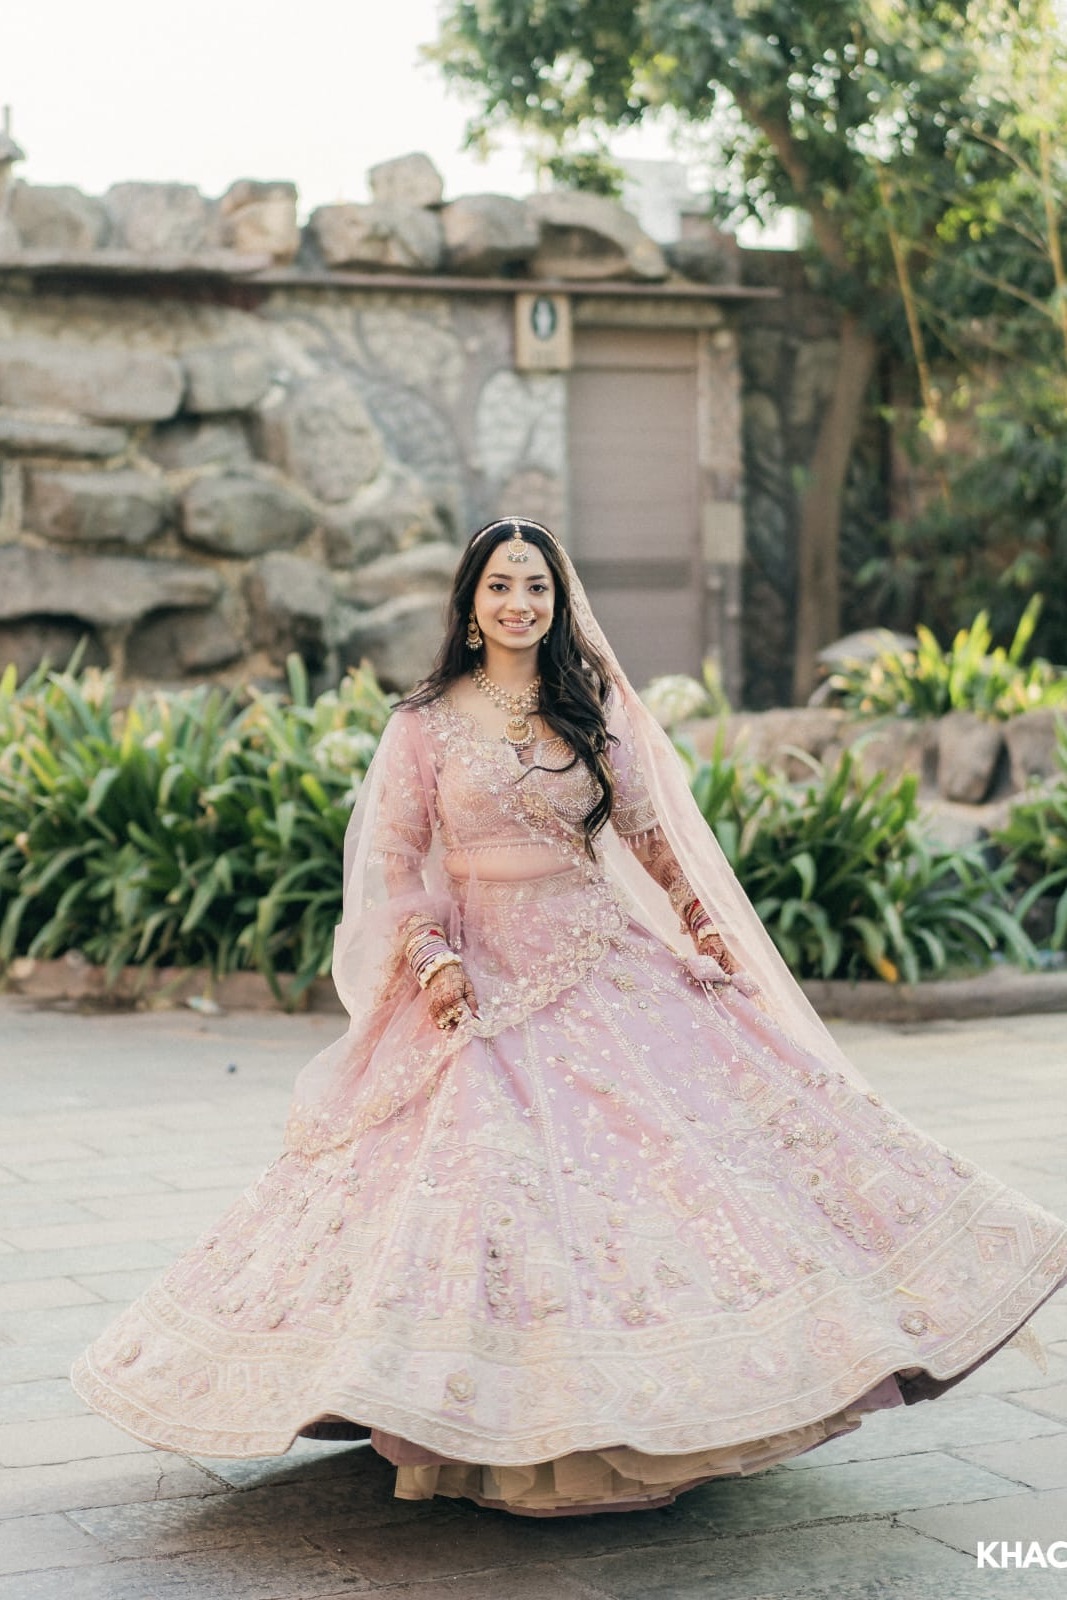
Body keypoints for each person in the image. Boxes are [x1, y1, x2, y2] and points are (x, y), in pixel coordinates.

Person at [73, 517, 1067, 1516]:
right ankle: (470, 1432)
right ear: (470, 603)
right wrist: (430, 957)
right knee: (478, 1190)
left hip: (600, 958)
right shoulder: (422, 724)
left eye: (536, 588)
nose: (518, 604)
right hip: (475, 983)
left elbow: (647, 833)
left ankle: (646, 1415)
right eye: (500, 586)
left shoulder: (588, 707)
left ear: (557, 602)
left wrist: (701, 927)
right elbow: (395, 863)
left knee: (683, 1169)